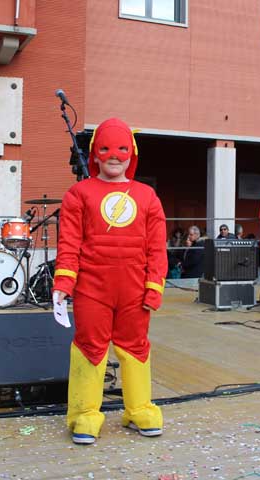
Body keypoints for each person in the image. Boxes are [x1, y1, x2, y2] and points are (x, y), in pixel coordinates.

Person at [52, 117, 167, 445]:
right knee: (89, 347)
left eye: (121, 149)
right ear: (95, 153)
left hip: (134, 290)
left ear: (132, 153)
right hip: (92, 289)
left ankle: (139, 409)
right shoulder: (78, 194)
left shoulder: (148, 196)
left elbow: (156, 248)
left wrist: (154, 286)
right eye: (106, 149)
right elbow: (70, 243)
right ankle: (84, 414)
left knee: (136, 347)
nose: (114, 157)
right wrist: (63, 284)